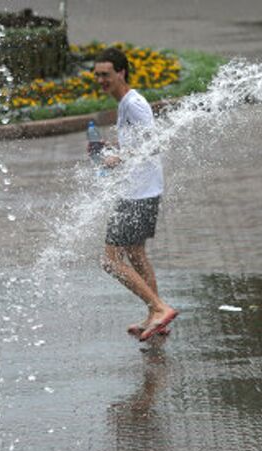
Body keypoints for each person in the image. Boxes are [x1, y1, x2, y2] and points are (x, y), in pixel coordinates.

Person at [93, 47, 178, 342]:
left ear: (121, 73)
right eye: (97, 75)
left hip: (138, 193)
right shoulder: (126, 104)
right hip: (141, 189)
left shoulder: (134, 104)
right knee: (136, 254)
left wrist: (120, 158)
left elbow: (154, 145)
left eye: (106, 74)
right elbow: (138, 142)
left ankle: (159, 307)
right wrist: (113, 149)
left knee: (110, 260)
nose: (101, 80)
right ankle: (155, 316)